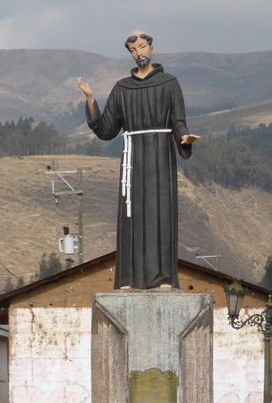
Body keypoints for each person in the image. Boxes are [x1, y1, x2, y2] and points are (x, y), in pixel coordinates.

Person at [76, 31, 200, 290]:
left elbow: (178, 120)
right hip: (132, 158)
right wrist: (90, 100)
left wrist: (184, 138)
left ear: (152, 48)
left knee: (160, 213)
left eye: (143, 47)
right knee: (131, 215)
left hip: (160, 158)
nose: (139, 53)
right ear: (130, 53)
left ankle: (163, 277)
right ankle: (128, 278)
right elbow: (107, 129)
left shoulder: (169, 83)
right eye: (134, 50)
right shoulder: (122, 88)